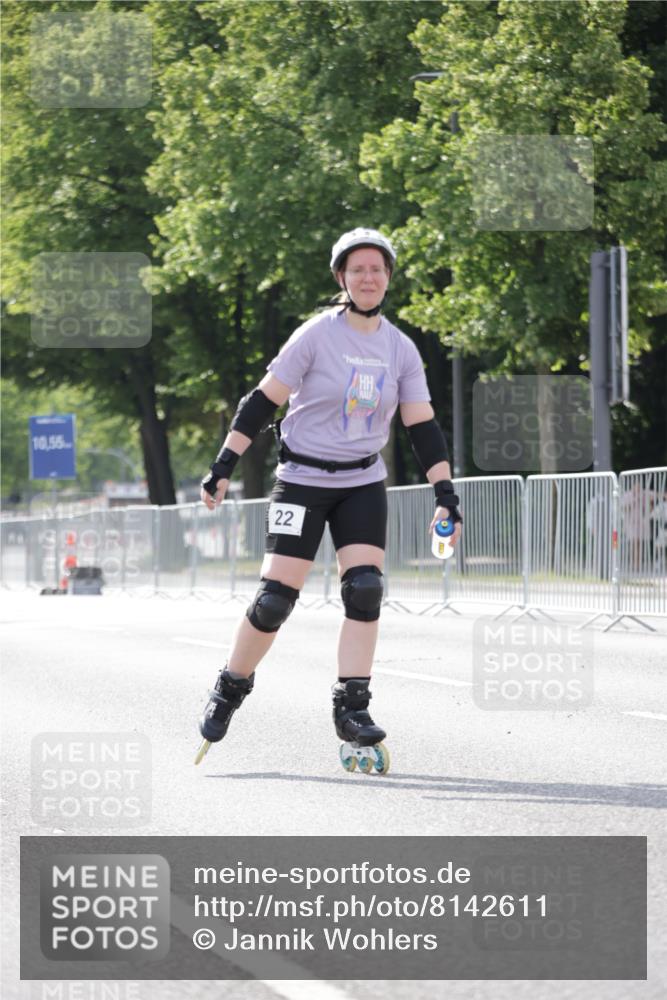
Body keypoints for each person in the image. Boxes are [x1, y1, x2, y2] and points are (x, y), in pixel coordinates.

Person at [195, 227, 463, 774]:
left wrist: (446, 492)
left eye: (378, 269)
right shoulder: (316, 335)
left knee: (365, 591)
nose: (369, 278)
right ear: (342, 277)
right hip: (301, 479)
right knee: (274, 599)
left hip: (362, 481)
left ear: (388, 278)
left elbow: (423, 426)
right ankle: (230, 686)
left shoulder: (400, 349)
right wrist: (222, 464)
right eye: (358, 269)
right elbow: (260, 402)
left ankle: (352, 708)